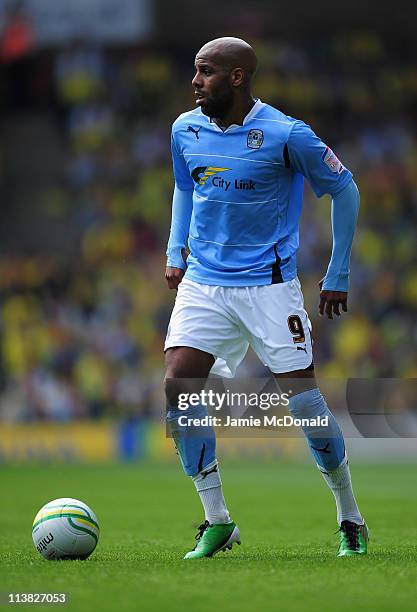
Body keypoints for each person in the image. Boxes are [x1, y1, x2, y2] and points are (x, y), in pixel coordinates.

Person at [164, 37, 368, 559]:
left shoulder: (284, 134)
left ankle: (349, 516)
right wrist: (175, 249)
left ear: (237, 77)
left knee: (304, 404)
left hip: (269, 287)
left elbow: (346, 190)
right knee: (179, 381)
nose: (195, 81)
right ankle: (217, 521)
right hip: (204, 282)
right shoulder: (184, 129)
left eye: (205, 72)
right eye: (195, 71)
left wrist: (337, 270)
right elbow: (186, 187)